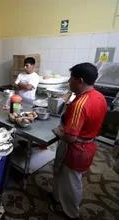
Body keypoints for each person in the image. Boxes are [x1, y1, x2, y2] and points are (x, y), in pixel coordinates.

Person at [50, 63, 107, 219]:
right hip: (88, 145)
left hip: (75, 149)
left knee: (71, 182)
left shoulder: (80, 104)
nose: (69, 81)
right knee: (71, 178)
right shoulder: (99, 96)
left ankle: (70, 212)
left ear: (80, 80)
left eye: (71, 78)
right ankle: (59, 199)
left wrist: (58, 132)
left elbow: (70, 137)